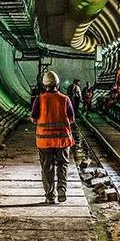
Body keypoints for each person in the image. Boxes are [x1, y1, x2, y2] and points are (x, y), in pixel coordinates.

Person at [31, 70, 75, 204]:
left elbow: (33, 119)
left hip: (44, 142)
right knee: (62, 165)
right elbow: (72, 118)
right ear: (57, 84)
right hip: (62, 140)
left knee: (47, 167)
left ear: (44, 85)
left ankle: (50, 196)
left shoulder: (39, 99)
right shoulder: (65, 99)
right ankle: (62, 191)